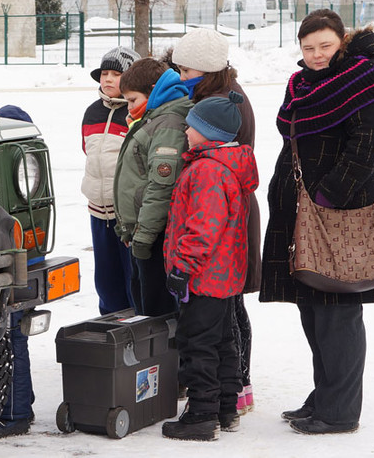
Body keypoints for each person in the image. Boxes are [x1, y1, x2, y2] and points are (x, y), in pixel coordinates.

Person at [259, 9, 374, 435]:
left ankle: (339, 411)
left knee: (338, 312)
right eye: (307, 48)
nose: (316, 55)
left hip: (339, 214)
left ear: (342, 42)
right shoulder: (301, 85)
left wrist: (329, 194)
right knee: (313, 310)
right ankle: (325, 395)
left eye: (325, 46)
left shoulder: (365, 82)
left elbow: (372, 145)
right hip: (299, 212)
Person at [171, 27, 261, 414]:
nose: (181, 77)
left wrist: (183, 262)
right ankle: (228, 401)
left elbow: (204, 225)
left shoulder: (220, 113)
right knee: (223, 328)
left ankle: (212, 405)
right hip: (223, 244)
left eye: (186, 70)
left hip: (213, 253)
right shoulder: (217, 101)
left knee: (212, 331)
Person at [161, 91, 258, 441]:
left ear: (210, 132)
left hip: (203, 275)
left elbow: (203, 227)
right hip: (224, 275)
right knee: (221, 340)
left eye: (192, 125)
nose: (186, 129)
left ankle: (202, 414)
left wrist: (182, 267)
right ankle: (226, 408)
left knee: (196, 341)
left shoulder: (207, 171)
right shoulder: (226, 166)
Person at [113, 58, 191, 317]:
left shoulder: (167, 123)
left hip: (155, 235)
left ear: (155, 90)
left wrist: (143, 237)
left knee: (155, 314)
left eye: (133, 100)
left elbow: (160, 188)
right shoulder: (153, 118)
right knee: (143, 306)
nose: (130, 107)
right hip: (142, 232)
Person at [0, 105, 36, 439]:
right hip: (16, 268)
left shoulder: (11, 180)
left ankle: (15, 413)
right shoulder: (22, 174)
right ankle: (17, 406)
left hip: (15, 271)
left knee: (12, 336)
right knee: (12, 338)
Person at [81, 46, 140, 315]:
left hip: (125, 214)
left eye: (116, 73)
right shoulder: (92, 112)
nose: (107, 79)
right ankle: (111, 322)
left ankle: (138, 322)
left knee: (132, 277)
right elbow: (87, 150)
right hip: (98, 210)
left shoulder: (135, 114)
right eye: (104, 73)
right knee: (106, 280)